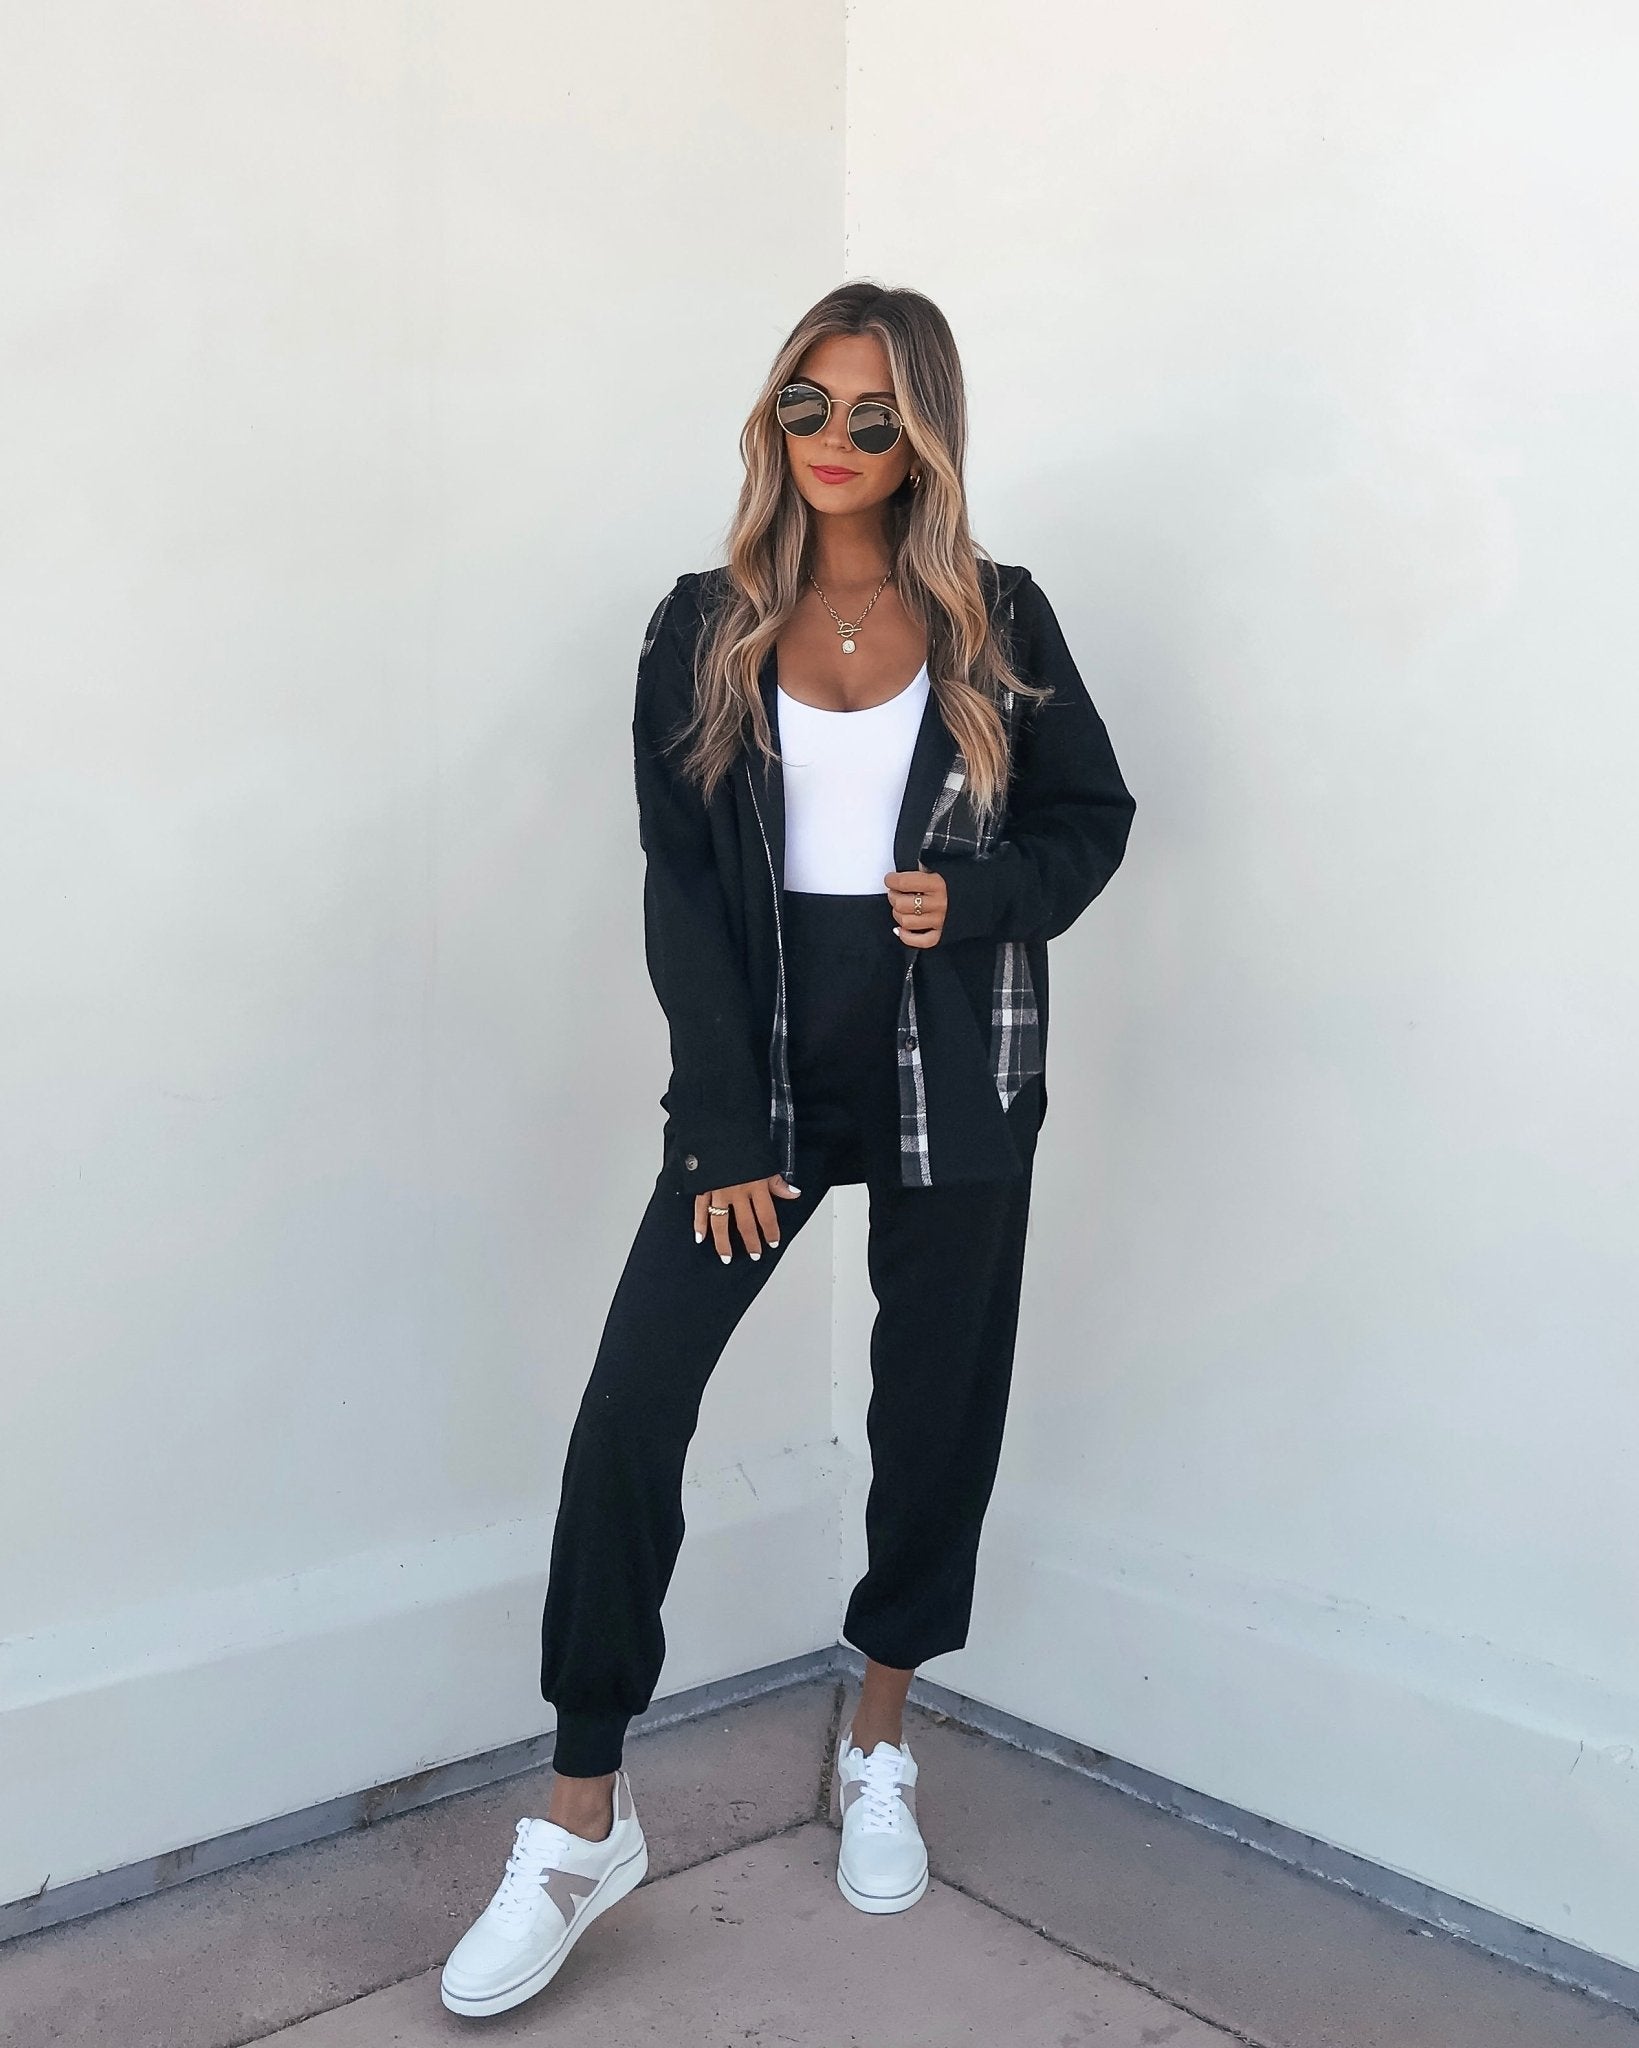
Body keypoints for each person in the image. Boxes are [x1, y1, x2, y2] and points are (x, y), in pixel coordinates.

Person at [440, 280, 1136, 2017]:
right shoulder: (704, 623)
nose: (834, 441)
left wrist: (984, 897)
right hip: (763, 1077)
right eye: (807, 406)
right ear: (774, 420)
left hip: (953, 1066)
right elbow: (683, 884)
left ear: (926, 439)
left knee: (935, 1412)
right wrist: (722, 1122)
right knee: (631, 1411)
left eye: (873, 415)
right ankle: (583, 1816)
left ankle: (879, 1734)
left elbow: (1092, 818)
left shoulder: (1000, 615)